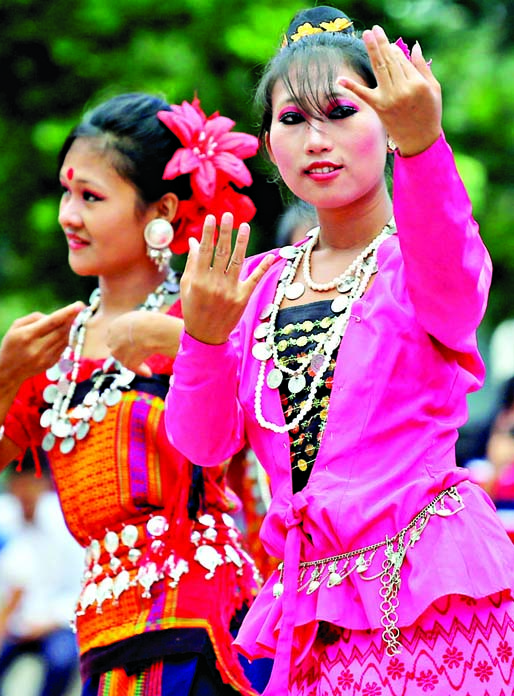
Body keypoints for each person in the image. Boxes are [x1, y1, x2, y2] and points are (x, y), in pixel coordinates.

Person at [163, 7, 514, 694]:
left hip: (431, 593)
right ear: (268, 144)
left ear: (387, 123)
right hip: (309, 610)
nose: (316, 138)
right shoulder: (258, 283)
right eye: (293, 120)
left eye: (340, 112)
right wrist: (202, 341)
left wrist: (426, 148)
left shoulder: (418, 262)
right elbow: (204, 446)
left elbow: (453, 282)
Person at [0, 91, 268, 695]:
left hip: (200, 626)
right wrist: (0, 379)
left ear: (159, 209)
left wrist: (179, 338)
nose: (67, 215)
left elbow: (273, 423)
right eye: (66, 192)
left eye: (91, 197)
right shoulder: (53, 351)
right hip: (102, 636)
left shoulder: (207, 315)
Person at [0, 462, 82, 696]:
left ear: (45, 485)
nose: (24, 492)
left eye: (31, 484)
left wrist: (49, 620)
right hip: (8, 620)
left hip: (55, 621)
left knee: (61, 660)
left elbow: (81, 583)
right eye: (18, 485)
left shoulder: (67, 520)